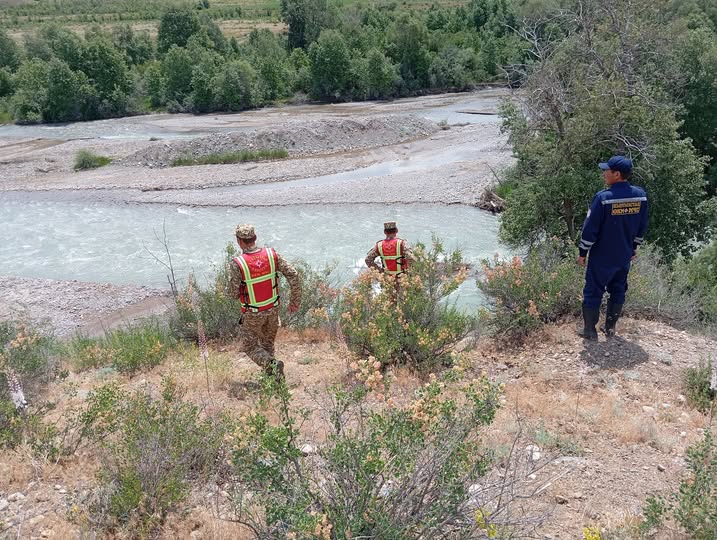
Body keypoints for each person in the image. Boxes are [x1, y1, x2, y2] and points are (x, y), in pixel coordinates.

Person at [577, 156, 648, 339]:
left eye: (606, 171)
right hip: (624, 255)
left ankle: (590, 331)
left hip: (602, 255)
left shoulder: (603, 198)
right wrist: (634, 247)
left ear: (616, 174)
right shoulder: (640, 196)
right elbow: (642, 225)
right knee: (618, 289)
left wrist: (583, 252)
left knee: (593, 290)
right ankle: (610, 328)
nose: (604, 174)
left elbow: (590, 230)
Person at [229, 224, 301, 380]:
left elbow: (233, 294)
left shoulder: (238, 263)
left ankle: (272, 366)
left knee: (249, 347)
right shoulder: (271, 255)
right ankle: (274, 380)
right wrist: (295, 301)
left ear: (239, 241)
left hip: (253, 313)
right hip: (273, 309)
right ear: (255, 238)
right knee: (267, 344)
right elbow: (293, 274)